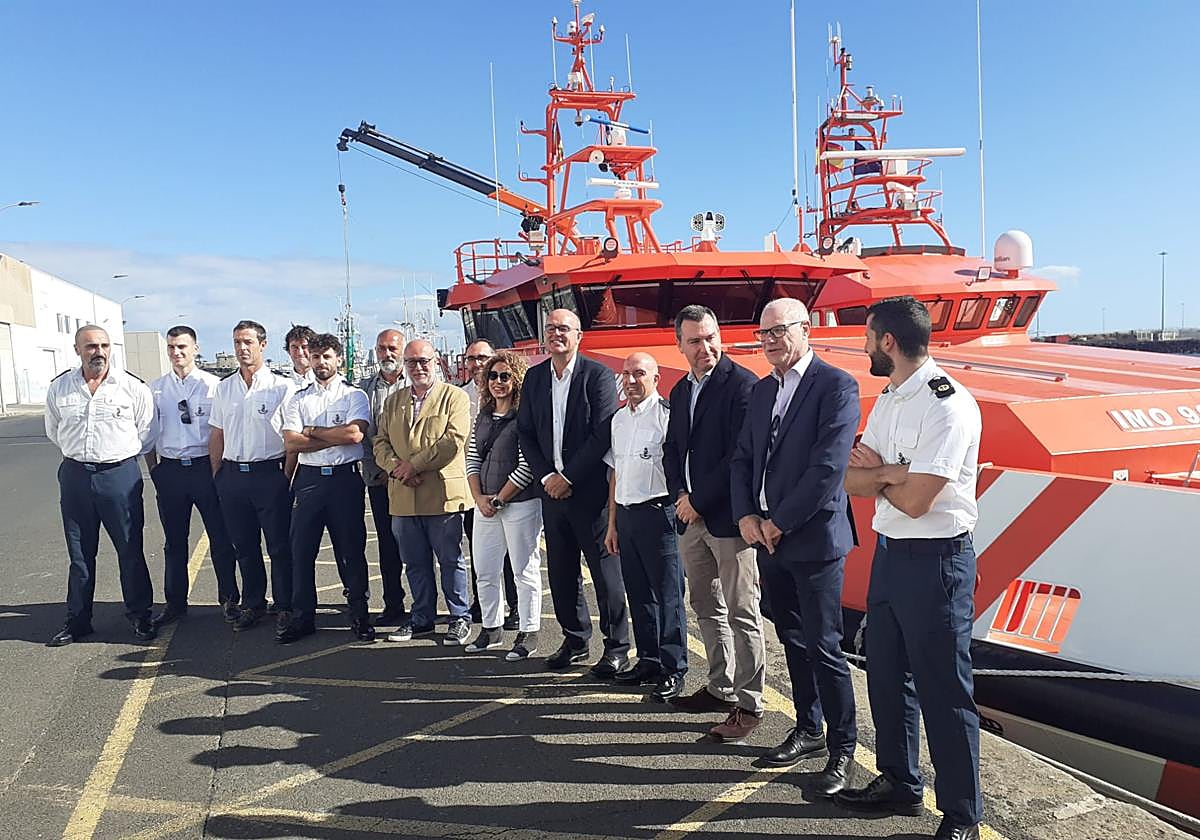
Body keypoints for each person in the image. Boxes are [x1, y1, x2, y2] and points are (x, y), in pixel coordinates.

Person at [837, 296, 984, 840]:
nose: (865, 346)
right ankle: (900, 782)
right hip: (892, 553)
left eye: (868, 337)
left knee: (944, 688)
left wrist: (885, 475)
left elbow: (921, 500)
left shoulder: (948, 406)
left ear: (888, 343)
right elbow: (849, 481)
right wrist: (893, 475)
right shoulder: (891, 398)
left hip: (937, 561)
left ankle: (963, 814)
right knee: (886, 672)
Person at [730, 298, 859, 796]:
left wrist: (778, 521)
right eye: (763, 334)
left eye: (779, 331)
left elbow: (828, 468)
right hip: (766, 536)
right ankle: (809, 727)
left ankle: (842, 749)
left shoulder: (836, 386)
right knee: (792, 637)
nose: (770, 342)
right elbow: (743, 458)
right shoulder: (763, 391)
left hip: (813, 537)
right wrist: (747, 515)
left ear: (806, 330)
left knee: (826, 647)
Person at [661, 306, 766, 722]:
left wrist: (698, 500)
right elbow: (673, 451)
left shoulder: (742, 386)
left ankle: (750, 701)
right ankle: (721, 686)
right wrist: (679, 496)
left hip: (728, 520)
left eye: (710, 337)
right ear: (679, 345)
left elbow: (739, 456)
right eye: (695, 341)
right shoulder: (681, 390)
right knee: (705, 605)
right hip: (690, 518)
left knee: (742, 609)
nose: (705, 347)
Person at [516, 308, 630, 675]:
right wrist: (548, 475)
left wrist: (568, 477)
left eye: (564, 329)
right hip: (551, 491)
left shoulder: (597, 376)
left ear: (579, 335)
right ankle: (576, 638)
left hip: (590, 492)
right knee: (561, 572)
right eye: (550, 328)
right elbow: (526, 433)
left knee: (606, 574)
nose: (556, 334)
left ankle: (617, 646)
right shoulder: (534, 379)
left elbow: (602, 433)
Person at [44, 325, 157, 646]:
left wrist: (113, 457)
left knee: (129, 549)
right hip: (76, 475)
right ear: (77, 349)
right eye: (91, 346)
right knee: (80, 554)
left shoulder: (131, 387)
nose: (99, 352)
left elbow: (147, 432)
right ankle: (77, 621)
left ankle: (140, 616)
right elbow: (54, 430)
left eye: (105, 345)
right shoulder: (60, 388)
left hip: (119, 475)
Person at [374, 339, 473, 645]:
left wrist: (413, 466)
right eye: (412, 362)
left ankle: (459, 617)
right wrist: (395, 467)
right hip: (403, 495)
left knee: (451, 559)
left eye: (424, 361)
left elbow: (453, 441)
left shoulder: (454, 397)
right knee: (414, 562)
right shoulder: (394, 401)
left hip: (442, 494)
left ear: (436, 362)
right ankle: (422, 618)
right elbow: (379, 441)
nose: (418, 367)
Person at [279, 333, 375, 643]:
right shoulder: (299, 398)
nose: (321, 362)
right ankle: (302, 616)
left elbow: (354, 435)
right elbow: (292, 442)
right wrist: (327, 436)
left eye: (327, 356)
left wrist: (313, 432)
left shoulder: (354, 395)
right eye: (316, 356)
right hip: (309, 479)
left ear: (338, 360)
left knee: (351, 548)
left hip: (344, 480)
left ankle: (359, 615)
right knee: (301, 550)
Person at [603, 352, 687, 702]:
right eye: (626, 374)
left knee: (669, 596)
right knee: (638, 594)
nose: (632, 380)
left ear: (656, 379)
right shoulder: (619, 420)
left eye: (640, 373)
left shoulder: (667, 417)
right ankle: (648, 660)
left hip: (659, 512)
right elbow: (615, 474)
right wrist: (612, 524)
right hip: (626, 514)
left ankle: (674, 667)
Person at [144, 325, 240, 627]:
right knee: (174, 542)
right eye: (172, 347)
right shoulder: (156, 388)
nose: (177, 352)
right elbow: (148, 433)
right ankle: (175, 603)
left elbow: (221, 431)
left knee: (220, 538)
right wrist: (155, 470)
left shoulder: (214, 386)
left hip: (206, 468)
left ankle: (228, 599)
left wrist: (217, 470)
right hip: (170, 470)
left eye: (183, 347)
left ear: (195, 349)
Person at [208, 320, 295, 637]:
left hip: (269, 474)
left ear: (262, 344)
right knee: (244, 546)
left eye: (247, 342)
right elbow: (216, 434)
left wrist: (284, 477)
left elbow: (291, 438)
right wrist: (218, 475)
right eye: (236, 343)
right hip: (233, 476)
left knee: (279, 546)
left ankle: (285, 605)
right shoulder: (224, 388)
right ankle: (254, 603)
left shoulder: (281, 387)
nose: (242, 349)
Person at [463, 352, 543, 660]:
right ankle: (491, 628)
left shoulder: (525, 417)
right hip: (485, 505)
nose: (498, 382)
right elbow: (472, 458)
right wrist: (479, 498)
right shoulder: (482, 416)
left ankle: (529, 630)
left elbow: (527, 466)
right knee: (484, 569)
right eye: (493, 376)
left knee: (524, 569)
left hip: (519, 503)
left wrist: (499, 499)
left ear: (517, 380)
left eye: (505, 376)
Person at [461, 338, 518, 629]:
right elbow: (468, 450)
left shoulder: (516, 405)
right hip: (475, 489)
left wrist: (500, 496)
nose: (477, 364)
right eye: (471, 359)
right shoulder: (462, 396)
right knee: (481, 555)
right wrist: (478, 495)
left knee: (515, 559)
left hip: (511, 491)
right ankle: (483, 608)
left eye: (482, 358)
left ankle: (516, 607)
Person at [357, 328, 408, 626]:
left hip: (415, 478)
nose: (387, 354)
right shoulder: (364, 389)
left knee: (419, 545)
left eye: (392, 348)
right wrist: (381, 469)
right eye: (381, 348)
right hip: (380, 479)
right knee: (387, 545)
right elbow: (366, 438)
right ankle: (393, 605)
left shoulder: (420, 382)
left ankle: (425, 607)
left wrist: (406, 469)